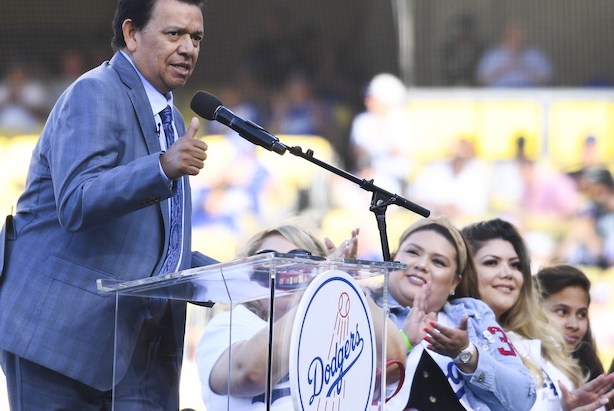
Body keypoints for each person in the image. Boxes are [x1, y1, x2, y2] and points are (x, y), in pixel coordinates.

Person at [0, 0, 217, 409]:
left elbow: (161, 247)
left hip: (135, 351)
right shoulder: (95, 92)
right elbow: (77, 201)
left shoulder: (173, 120)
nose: (188, 48)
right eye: (174, 33)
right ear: (132, 34)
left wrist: (250, 275)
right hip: (58, 339)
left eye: (196, 38)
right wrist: (162, 166)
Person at [195, 222, 402, 410]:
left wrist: (344, 285)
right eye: (268, 259)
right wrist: (321, 290)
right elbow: (250, 373)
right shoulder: (230, 325)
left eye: (299, 258)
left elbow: (394, 367)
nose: (285, 269)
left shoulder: (338, 327)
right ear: (249, 273)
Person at [369, 215, 537, 411]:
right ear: (394, 258)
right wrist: (405, 341)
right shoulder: (363, 304)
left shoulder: (474, 315)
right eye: (413, 252)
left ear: (455, 282)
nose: (422, 265)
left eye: (438, 262)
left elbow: (523, 399)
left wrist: (465, 353)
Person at [462, 218, 614, 411]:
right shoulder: (445, 331)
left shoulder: (544, 347)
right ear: (463, 272)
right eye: (492, 262)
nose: (507, 273)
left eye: (516, 265)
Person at [535, 264, 605, 382]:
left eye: (581, 314)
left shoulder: (592, 373)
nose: (574, 325)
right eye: (562, 312)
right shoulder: (518, 363)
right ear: (534, 310)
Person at [349, 73, 413, 195]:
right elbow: (356, 151)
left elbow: (400, 151)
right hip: (365, 175)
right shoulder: (362, 120)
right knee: (340, 182)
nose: (367, 101)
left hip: (393, 178)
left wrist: (382, 132)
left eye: (372, 98)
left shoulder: (401, 118)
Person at [555, 167, 614, 268]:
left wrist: (587, 234)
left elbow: (605, 255)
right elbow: (561, 252)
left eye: (592, 189)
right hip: (581, 266)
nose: (589, 193)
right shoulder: (592, 209)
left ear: (602, 187)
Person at [476, 21, 552, 87]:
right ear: (506, 37)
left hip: (530, 96)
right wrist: (504, 69)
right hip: (498, 96)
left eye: (519, 37)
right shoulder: (493, 55)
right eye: (513, 36)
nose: (516, 40)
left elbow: (548, 79)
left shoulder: (536, 55)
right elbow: (481, 79)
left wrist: (524, 68)